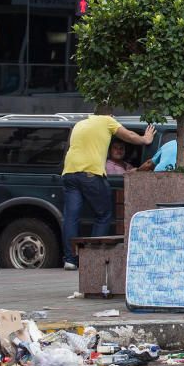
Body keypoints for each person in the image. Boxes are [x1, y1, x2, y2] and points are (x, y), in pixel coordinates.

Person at [61, 105, 155, 270]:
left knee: (71, 217)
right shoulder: (107, 121)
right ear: (110, 115)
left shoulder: (79, 124)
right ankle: (93, 257)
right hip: (90, 173)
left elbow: (70, 147)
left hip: (69, 172)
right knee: (104, 214)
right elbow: (130, 135)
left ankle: (70, 259)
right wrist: (145, 139)